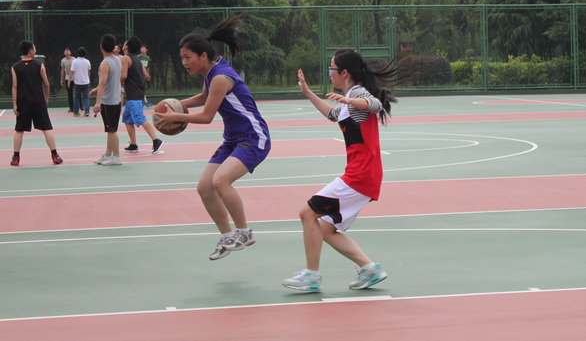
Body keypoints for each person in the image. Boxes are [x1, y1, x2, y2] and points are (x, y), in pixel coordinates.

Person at [282, 49, 399, 292]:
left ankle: (311, 276)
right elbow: (332, 114)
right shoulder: (349, 100)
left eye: (332, 69)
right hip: (364, 174)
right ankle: (370, 269)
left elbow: (375, 104)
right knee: (325, 228)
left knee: (307, 213)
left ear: (344, 72)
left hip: (360, 175)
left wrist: (350, 100)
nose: (329, 73)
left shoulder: (356, 93)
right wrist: (307, 92)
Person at [155, 15, 271, 261]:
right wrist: (173, 105)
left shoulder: (220, 77)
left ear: (203, 56)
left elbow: (207, 116)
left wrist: (176, 115)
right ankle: (227, 236)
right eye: (182, 58)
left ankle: (244, 232)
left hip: (254, 136)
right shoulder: (211, 72)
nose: (184, 63)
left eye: (187, 57)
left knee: (221, 181)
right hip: (233, 139)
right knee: (205, 187)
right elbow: (203, 98)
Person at [11, 40, 63, 166]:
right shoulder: (39, 65)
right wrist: (46, 98)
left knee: (19, 130)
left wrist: (15, 104)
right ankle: (55, 155)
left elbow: (15, 86)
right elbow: (46, 84)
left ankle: (16, 157)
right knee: (47, 128)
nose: (35, 50)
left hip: (23, 102)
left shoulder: (15, 67)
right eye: (34, 48)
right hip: (38, 101)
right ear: (30, 51)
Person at [120, 36, 163, 154]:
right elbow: (145, 75)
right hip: (136, 92)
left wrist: (118, 83)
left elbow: (123, 76)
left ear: (126, 46)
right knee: (127, 119)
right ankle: (133, 145)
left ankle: (156, 140)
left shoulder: (125, 58)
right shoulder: (137, 59)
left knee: (139, 117)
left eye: (125, 43)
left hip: (134, 93)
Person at [90, 34, 123, 166]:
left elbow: (103, 83)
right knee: (109, 129)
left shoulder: (105, 64)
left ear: (101, 47)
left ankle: (117, 157)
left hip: (108, 101)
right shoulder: (117, 60)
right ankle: (108, 154)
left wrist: (98, 102)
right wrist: (96, 89)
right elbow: (109, 81)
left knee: (112, 130)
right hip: (115, 99)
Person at [69, 47, 91, 117]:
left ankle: (76, 112)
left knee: (77, 97)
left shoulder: (74, 61)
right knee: (86, 97)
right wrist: (87, 77)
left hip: (77, 82)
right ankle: (87, 111)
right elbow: (88, 71)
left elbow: (72, 71)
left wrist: (69, 80)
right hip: (86, 82)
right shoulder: (87, 61)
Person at [59, 47, 75, 112]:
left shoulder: (74, 60)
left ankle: (81, 106)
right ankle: (71, 108)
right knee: (70, 93)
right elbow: (62, 70)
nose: (67, 52)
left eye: (68, 51)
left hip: (75, 78)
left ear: (70, 52)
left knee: (77, 93)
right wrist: (61, 80)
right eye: (65, 51)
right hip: (67, 78)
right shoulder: (63, 61)